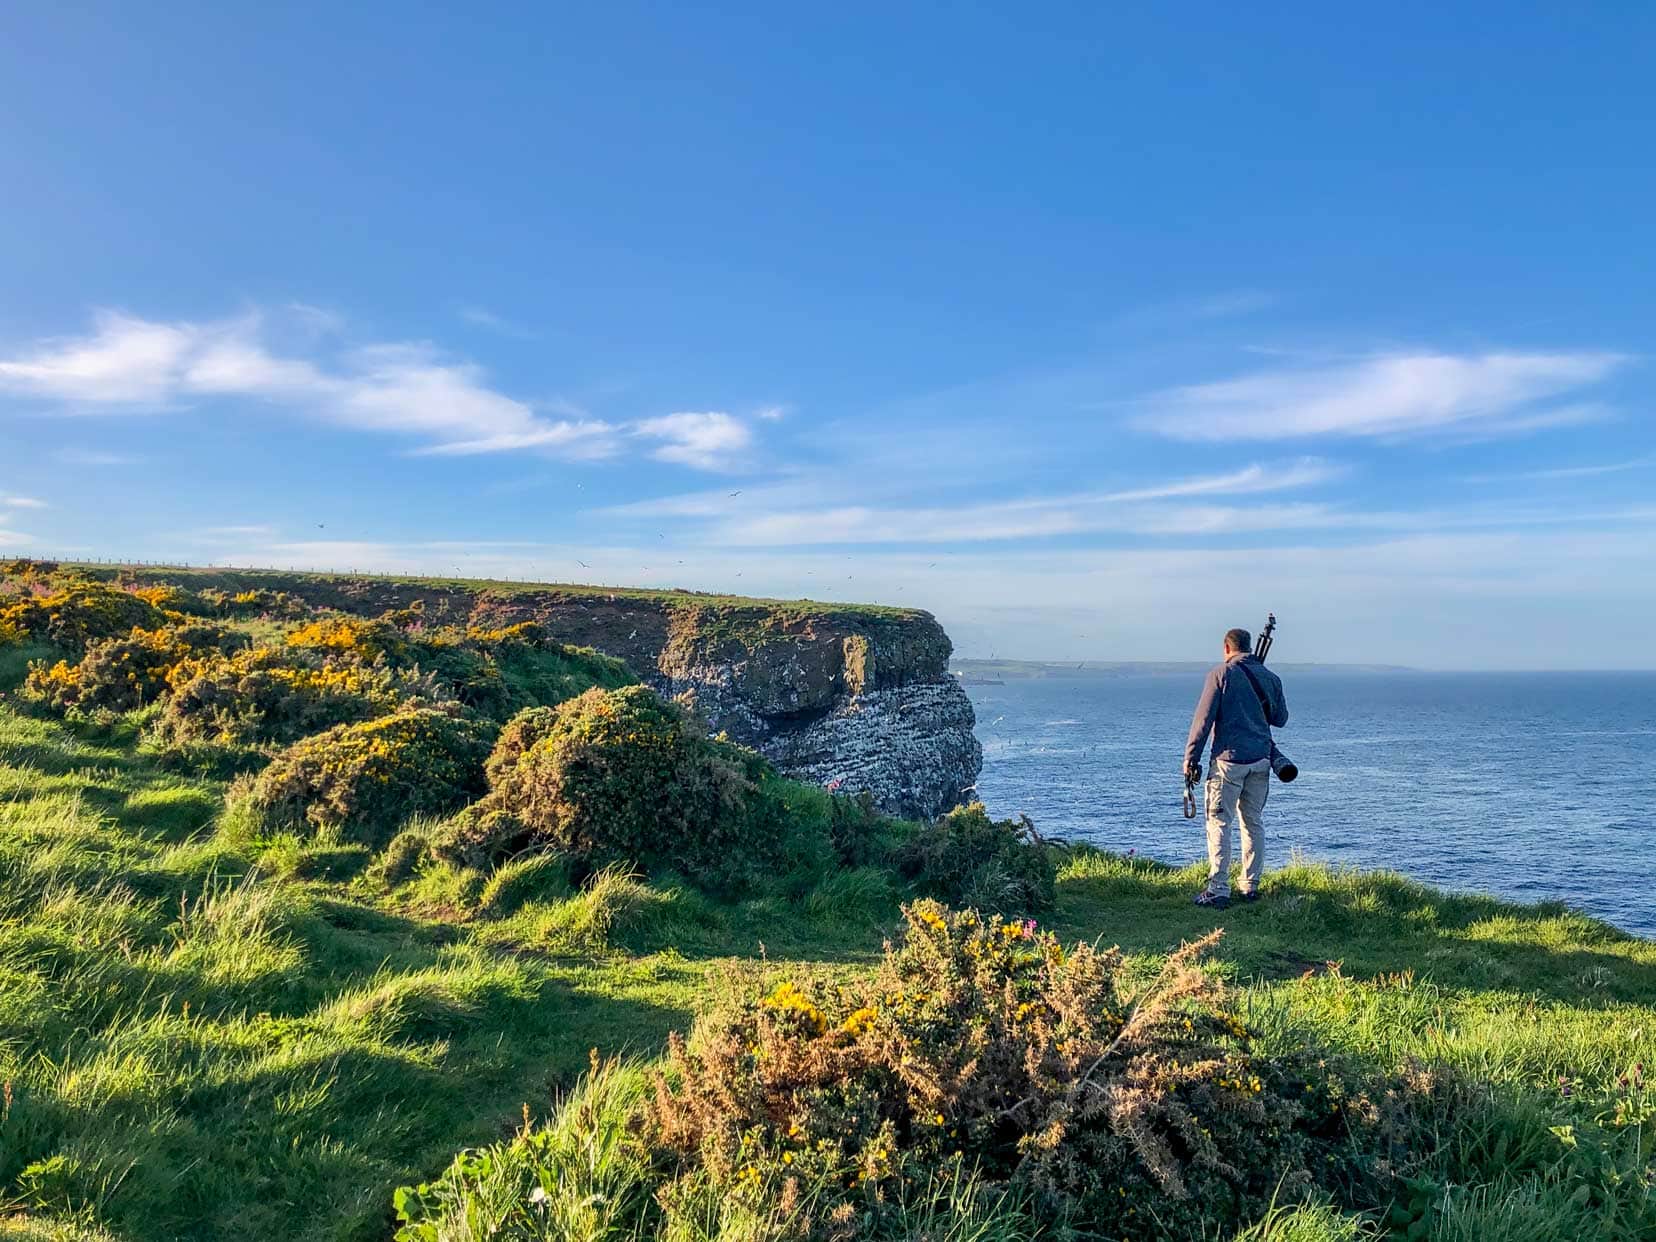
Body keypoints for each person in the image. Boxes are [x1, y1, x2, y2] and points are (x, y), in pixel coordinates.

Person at [1183, 627, 1289, 910]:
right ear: (1250, 646)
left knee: (1219, 823)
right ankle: (1250, 885)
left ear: (1226, 648)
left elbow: (1203, 722)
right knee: (1252, 822)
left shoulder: (1220, 675)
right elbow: (1280, 719)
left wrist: (1190, 759)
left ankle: (1218, 889)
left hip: (1228, 763)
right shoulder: (1271, 678)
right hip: (1261, 761)